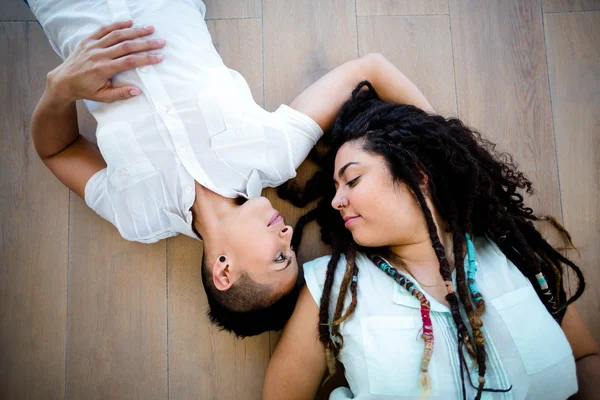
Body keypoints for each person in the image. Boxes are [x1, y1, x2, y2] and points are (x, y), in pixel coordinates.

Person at [27, 0, 433, 336]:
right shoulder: (274, 154)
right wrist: (446, 153)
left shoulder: (137, 217)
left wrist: (60, 91)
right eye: (290, 250)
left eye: (279, 257)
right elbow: (371, 69)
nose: (288, 234)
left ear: (225, 271)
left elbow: (58, 150)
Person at [263, 82, 600, 399]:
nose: (337, 201)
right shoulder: (331, 286)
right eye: (335, 190)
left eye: (351, 180)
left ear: (415, 172)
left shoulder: (514, 253)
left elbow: (584, 357)